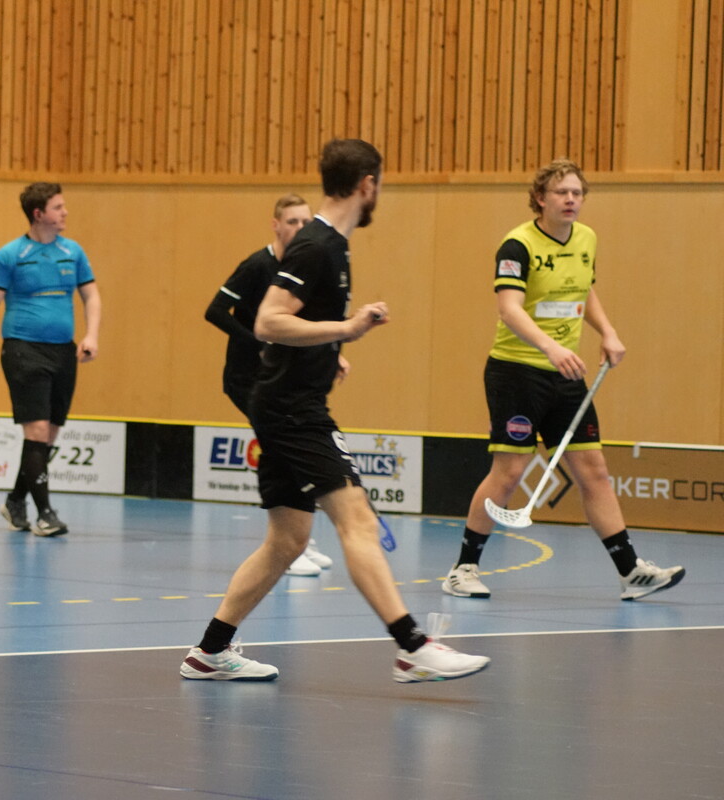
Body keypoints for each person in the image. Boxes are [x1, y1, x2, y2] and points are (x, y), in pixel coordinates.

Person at [181, 139, 490, 684]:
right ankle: (412, 647)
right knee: (358, 520)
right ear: (367, 184)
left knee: (287, 540)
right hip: (293, 410)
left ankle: (209, 651)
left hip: (286, 402)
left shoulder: (332, 247)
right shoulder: (317, 246)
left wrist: (330, 347)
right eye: (380, 184)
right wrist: (346, 329)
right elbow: (269, 321)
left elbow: (294, 326)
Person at [442, 159, 685, 601]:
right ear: (540, 198)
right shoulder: (517, 245)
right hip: (517, 372)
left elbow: (583, 289)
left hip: (566, 374)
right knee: (509, 474)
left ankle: (631, 572)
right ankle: (463, 569)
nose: (571, 199)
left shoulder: (586, 238)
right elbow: (509, 309)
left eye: (577, 193)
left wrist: (607, 331)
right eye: (561, 192)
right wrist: (550, 347)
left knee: (595, 471)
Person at [204, 194, 336, 577]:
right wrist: (256, 342)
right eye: (292, 221)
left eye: (305, 222)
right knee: (284, 449)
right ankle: (287, 545)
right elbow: (214, 310)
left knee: (287, 449)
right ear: (276, 225)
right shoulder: (257, 265)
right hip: (246, 379)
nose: (300, 228)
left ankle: (297, 541)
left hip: (277, 381)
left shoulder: (300, 269)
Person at [0, 183, 101, 537]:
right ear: (38, 214)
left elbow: (91, 296)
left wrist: (91, 335)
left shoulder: (73, 252)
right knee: (38, 430)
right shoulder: (10, 255)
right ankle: (45, 514)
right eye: (58, 207)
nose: (65, 212)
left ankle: (15, 501)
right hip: (23, 349)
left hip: (63, 351)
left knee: (47, 436)